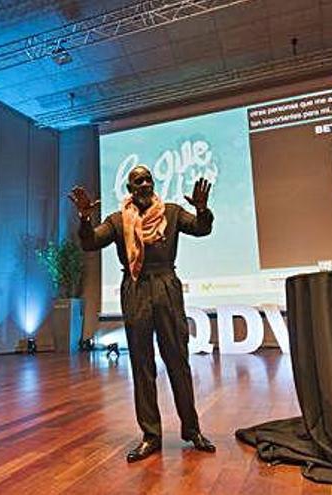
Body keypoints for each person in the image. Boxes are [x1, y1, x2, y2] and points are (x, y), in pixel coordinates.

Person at [68, 165, 216, 463]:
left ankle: (192, 430)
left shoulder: (172, 213)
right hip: (135, 289)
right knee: (141, 364)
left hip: (166, 286)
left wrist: (202, 210)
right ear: (130, 189)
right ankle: (151, 435)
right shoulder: (118, 220)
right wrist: (85, 218)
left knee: (178, 359)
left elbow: (201, 229)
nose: (146, 184)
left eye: (149, 179)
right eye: (139, 181)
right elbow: (90, 242)